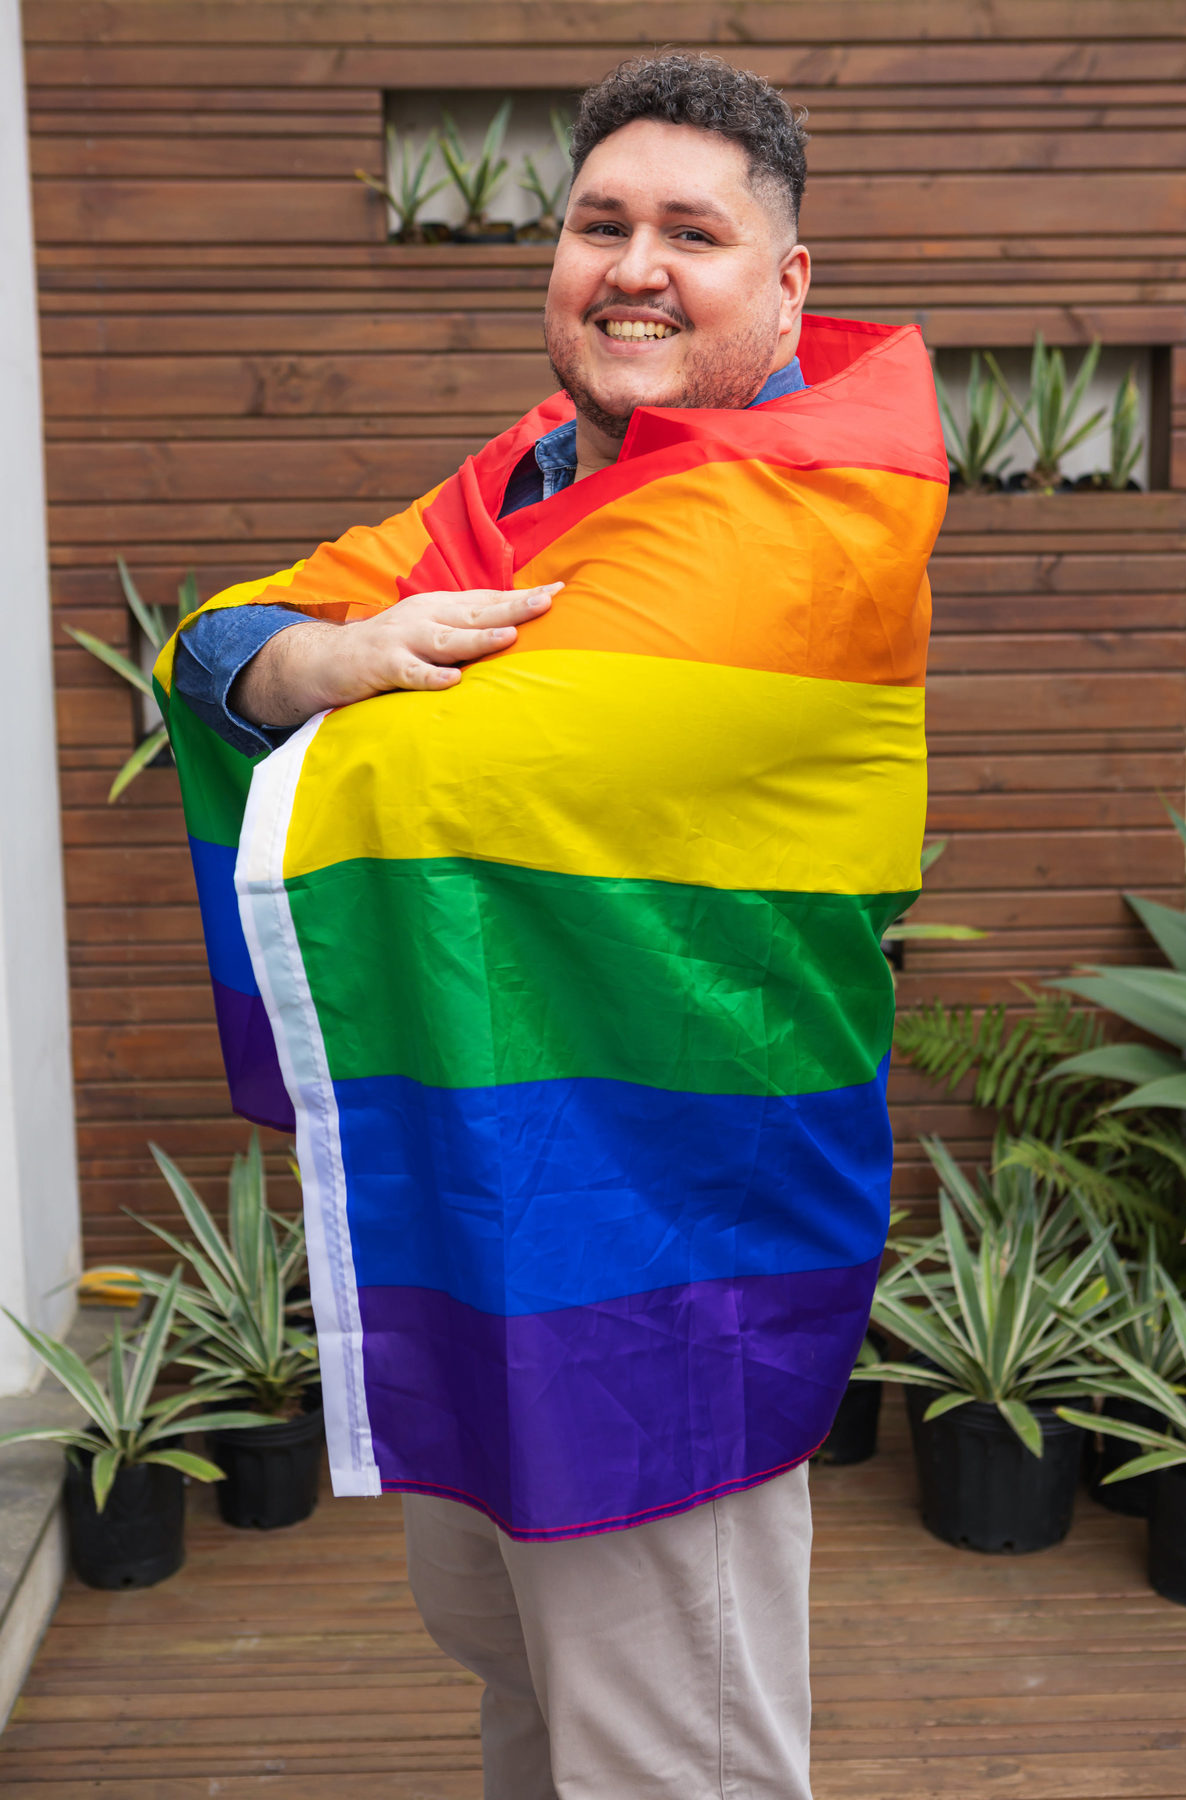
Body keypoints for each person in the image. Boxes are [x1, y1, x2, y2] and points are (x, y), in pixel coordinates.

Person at [160, 52, 945, 1800]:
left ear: (789, 285)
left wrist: (328, 680)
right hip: (487, 1218)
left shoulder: (808, 511)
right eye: (601, 223)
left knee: (671, 1762)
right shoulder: (522, 479)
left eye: (693, 233)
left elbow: (448, 770)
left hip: (671, 1251)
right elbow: (220, 638)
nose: (635, 266)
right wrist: (314, 657)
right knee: (520, 1699)